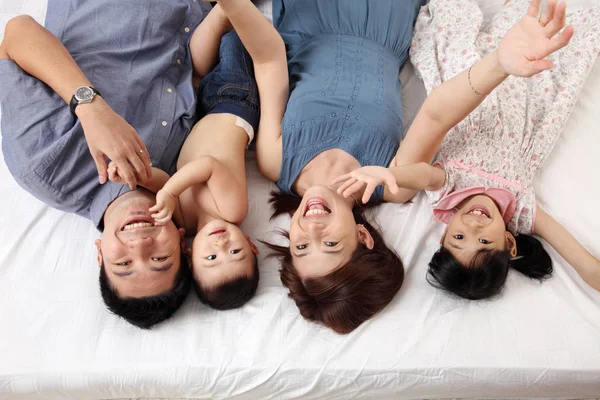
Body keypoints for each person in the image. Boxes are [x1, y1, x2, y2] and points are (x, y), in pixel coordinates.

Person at [334, 0, 600, 299]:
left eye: (459, 237)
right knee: (542, 37)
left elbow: (423, 174)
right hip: (523, 103)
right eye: (485, 242)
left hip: (466, 98)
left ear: (445, 233)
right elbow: (585, 263)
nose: (474, 225)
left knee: (459, 27)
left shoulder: (449, 193)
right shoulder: (522, 210)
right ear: (510, 244)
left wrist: (388, 174)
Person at [0, 0, 228, 328]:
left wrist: (90, 106)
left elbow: (17, 33)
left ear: (100, 253)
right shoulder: (182, 169)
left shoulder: (45, 166)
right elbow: (188, 72)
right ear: (181, 241)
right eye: (160, 259)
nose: (139, 245)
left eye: (123, 264)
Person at [211, 0, 424, 333]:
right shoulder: (393, 184)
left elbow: (269, 61)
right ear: (362, 236)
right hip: (386, 22)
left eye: (300, 246)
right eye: (330, 245)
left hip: (311, 17)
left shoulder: (277, 161)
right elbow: (438, 115)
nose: (311, 230)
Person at [110, 25, 261, 311]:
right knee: (234, 36)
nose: (221, 246)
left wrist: (137, 177)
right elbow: (208, 166)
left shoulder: (183, 221)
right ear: (251, 244)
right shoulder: (233, 210)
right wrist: (170, 191)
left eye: (212, 259)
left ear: (190, 257)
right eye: (236, 251)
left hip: (199, 111)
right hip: (233, 100)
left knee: (197, 52)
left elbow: (163, 180)